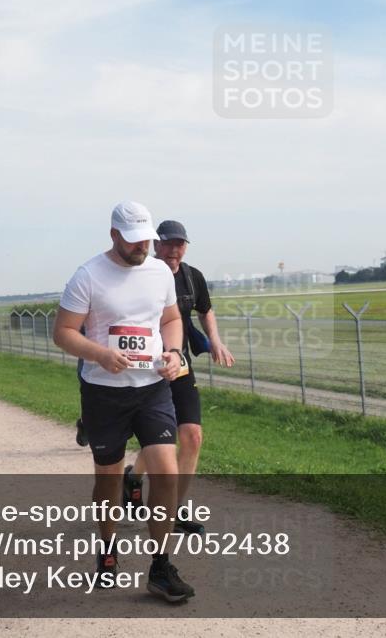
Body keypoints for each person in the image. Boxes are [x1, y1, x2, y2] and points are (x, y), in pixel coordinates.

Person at [52, 201, 194, 603]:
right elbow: (63, 332)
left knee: (165, 472)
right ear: (114, 235)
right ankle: (108, 548)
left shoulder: (160, 272)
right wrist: (99, 354)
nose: (141, 247)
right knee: (108, 481)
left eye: (146, 239)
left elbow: (171, 319)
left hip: (152, 387)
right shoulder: (88, 275)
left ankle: (161, 566)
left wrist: (174, 352)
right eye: (133, 241)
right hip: (104, 394)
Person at [124, 220, 235, 535]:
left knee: (192, 436)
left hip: (180, 363)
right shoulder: (138, 275)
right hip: (147, 368)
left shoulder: (191, 277)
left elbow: (205, 309)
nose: (175, 249)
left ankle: (173, 508)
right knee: (159, 437)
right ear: (156, 245)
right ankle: (133, 478)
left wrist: (214, 340)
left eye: (180, 244)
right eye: (169, 243)